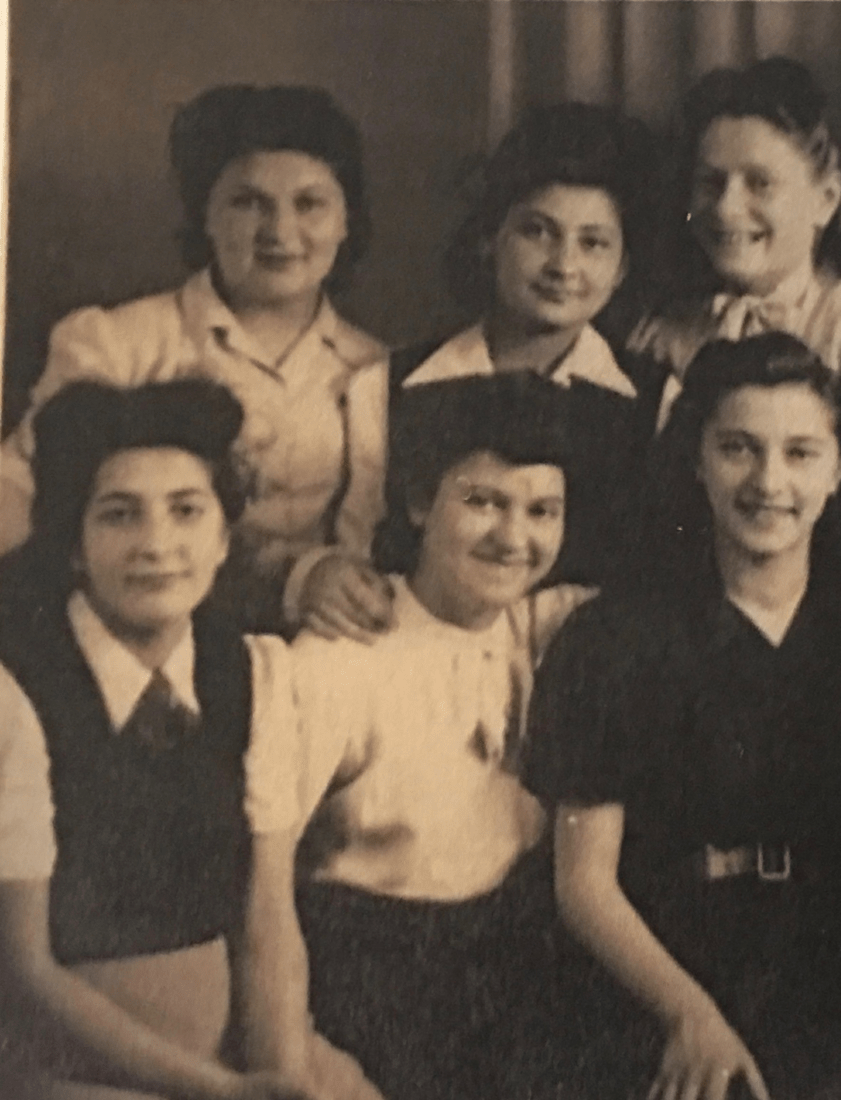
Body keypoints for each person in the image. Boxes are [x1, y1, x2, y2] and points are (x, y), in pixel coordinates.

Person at [526, 333, 841, 1100]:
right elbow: (584, 885)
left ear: (837, 473)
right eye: (738, 448)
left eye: (800, 453)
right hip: (654, 971)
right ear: (697, 458)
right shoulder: (612, 637)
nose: (768, 482)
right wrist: (690, 1016)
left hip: (829, 965)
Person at [0, 381, 371, 1100]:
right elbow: (26, 971)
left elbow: (265, 915)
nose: (158, 546)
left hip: (231, 1042)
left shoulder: (252, 673)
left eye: (186, 511)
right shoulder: (15, 689)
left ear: (225, 537)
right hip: (62, 1061)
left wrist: (280, 1079)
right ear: (73, 547)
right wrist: (216, 1091)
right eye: (119, 515)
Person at [252, 374, 594, 1100]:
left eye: (542, 511)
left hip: (512, 981)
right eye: (482, 502)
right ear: (417, 503)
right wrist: (298, 1058)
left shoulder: (549, 629)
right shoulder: (337, 659)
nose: (513, 538)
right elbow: (261, 887)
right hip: (371, 988)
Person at [0, 86, 387, 632]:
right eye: (247, 202)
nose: (280, 231)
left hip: (310, 654)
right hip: (142, 637)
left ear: (346, 221)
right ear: (204, 214)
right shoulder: (117, 343)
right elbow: (20, 495)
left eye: (309, 203)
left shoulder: (376, 369)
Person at [302, 102, 659, 642]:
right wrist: (324, 575)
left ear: (622, 267)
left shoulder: (655, 400)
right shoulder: (388, 386)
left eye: (593, 243)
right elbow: (358, 559)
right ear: (490, 237)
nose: (563, 265)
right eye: (537, 232)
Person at [630, 57, 841, 517]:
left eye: (760, 184)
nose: (727, 209)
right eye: (711, 182)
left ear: (825, 200)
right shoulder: (667, 330)